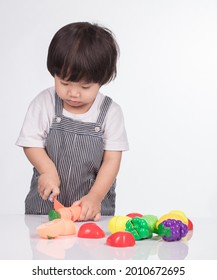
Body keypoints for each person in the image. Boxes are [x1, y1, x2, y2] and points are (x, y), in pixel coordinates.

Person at [16, 22, 129, 221]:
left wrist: (95, 197)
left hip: (90, 212)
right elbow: (30, 143)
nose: (73, 93)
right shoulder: (45, 103)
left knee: (91, 251)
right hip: (45, 210)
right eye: (64, 83)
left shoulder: (110, 112)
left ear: (101, 80)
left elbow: (112, 160)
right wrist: (47, 170)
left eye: (85, 87)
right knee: (45, 250)